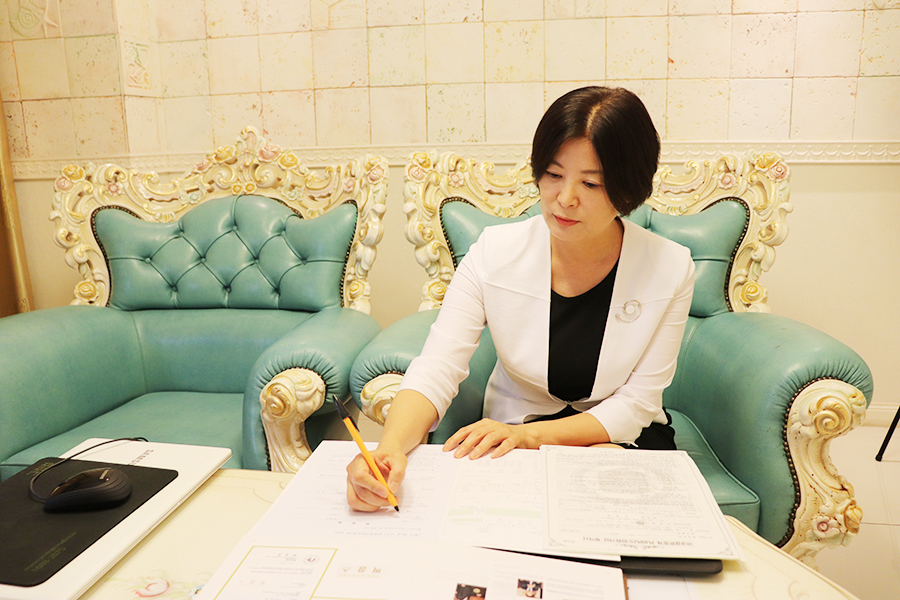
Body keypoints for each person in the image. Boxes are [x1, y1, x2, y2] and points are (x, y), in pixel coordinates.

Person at [347, 86, 695, 512]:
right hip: (512, 431)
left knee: (604, 504)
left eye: (591, 183)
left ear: (627, 188)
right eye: (553, 174)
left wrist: (531, 438)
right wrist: (388, 451)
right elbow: (438, 366)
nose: (565, 199)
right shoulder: (494, 253)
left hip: (617, 437)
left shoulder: (671, 267)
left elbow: (637, 404)